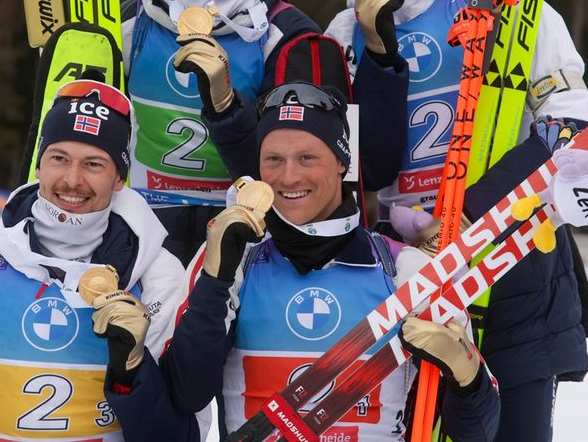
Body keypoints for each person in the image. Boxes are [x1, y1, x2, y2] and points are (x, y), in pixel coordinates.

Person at [325, 0, 588, 442]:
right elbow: (344, 170)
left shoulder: (508, 1)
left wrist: (478, 210)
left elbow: (574, 127)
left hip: (513, 266)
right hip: (405, 274)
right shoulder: (343, 30)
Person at [104, 82, 500, 442]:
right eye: (273, 159)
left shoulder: (404, 268)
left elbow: (476, 432)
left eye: (307, 157)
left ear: (342, 163)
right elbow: (188, 393)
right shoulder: (233, 260)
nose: (288, 177)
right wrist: (215, 281)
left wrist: (465, 373)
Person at [0, 80, 187, 442]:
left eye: (94, 164)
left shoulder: (157, 275)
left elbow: (176, 433)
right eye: (59, 158)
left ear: (120, 178)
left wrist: (134, 369)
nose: (73, 180)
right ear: (39, 165)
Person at [122, 0, 321, 265]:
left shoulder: (285, 35)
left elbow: (291, 172)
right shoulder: (131, 22)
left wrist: (227, 107)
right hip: (143, 231)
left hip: (243, 237)